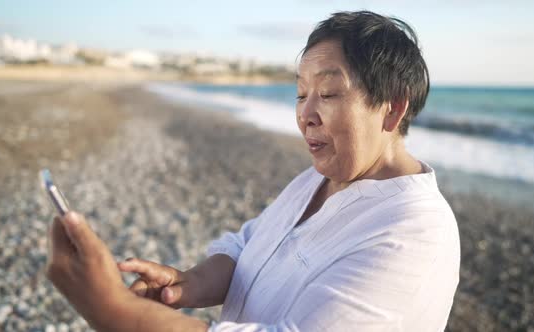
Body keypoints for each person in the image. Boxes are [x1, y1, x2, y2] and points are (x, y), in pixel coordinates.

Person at [46, 11, 460, 332]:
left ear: (393, 106)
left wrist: (116, 312)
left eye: (329, 93)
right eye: (301, 94)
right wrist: (186, 283)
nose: (306, 114)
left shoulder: (415, 231)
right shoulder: (316, 180)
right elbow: (245, 249)